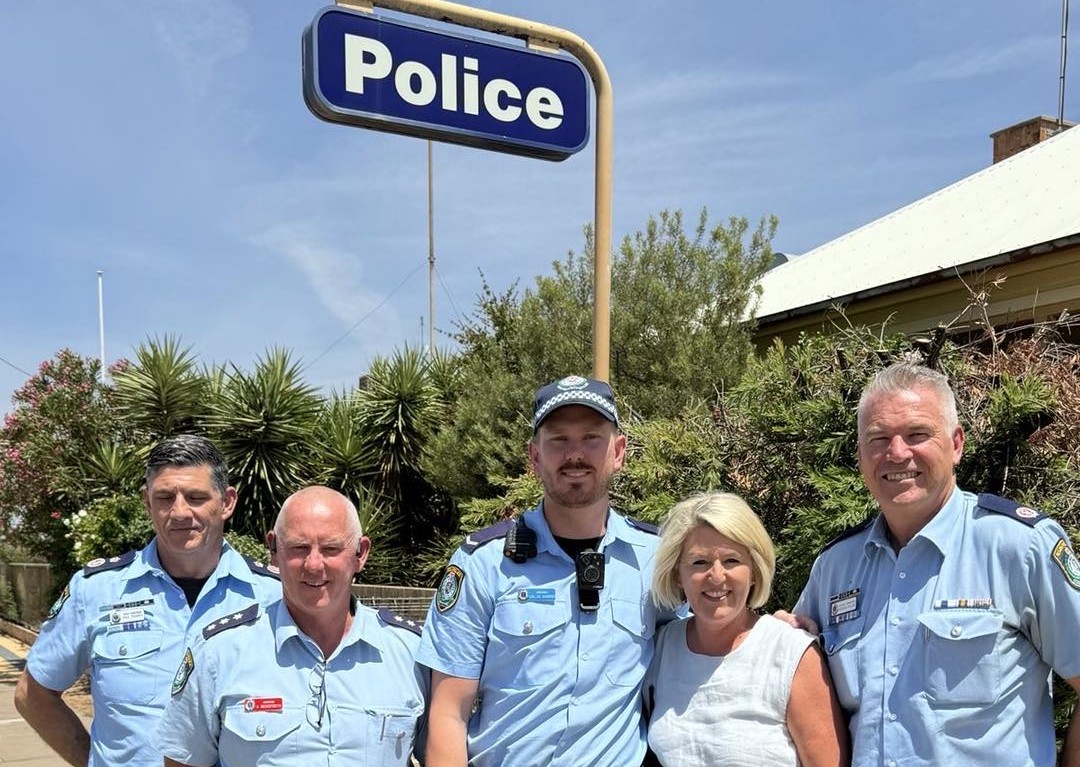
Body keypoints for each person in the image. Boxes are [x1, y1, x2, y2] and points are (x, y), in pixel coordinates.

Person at [792, 362, 1080, 766]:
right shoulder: (835, 567)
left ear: (957, 443)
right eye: (878, 439)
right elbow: (793, 672)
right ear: (860, 455)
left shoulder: (1020, 547)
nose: (896, 453)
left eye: (917, 434)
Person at [416, 375, 661, 767]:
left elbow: (706, 647)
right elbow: (448, 713)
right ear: (534, 457)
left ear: (619, 451)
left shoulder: (657, 559)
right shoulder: (483, 563)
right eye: (559, 440)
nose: (575, 454)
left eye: (591, 438)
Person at [14, 434, 281, 767]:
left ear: (227, 502)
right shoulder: (97, 591)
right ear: (147, 502)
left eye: (196, 497)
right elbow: (33, 694)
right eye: (165, 497)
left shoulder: (274, 596)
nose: (180, 512)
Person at [157, 486, 428, 767]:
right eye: (298, 548)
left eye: (331, 548)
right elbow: (183, 761)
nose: (313, 564)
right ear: (274, 549)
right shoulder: (219, 652)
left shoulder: (410, 653)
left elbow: (443, 752)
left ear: (361, 553)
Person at [644, 492, 848, 766]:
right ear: (677, 575)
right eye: (699, 562)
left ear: (754, 570)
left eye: (731, 561)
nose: (716, 576)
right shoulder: (661, 649)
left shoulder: (790, 653)